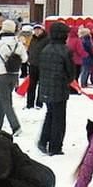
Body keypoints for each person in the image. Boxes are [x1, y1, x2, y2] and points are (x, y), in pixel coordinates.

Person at [37, 21, 75, 156]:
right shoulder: (65, 51)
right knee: (59, 119)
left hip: (46, 87)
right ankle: (55, 147)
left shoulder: (46, 49)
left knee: (50, 114)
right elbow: (71, 72)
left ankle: (43, 140)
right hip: (59, 88)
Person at [0, 19, 27, 136]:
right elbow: (25, 59)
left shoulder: (0, 43)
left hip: (1, 74)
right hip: (14, 75)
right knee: (2, 99)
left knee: (6, 101)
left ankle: (16, 126)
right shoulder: (18, 43)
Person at [25, 24, 48, 108]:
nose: (37, 31)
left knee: (41, 85)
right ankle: (29, 104)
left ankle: (39, 103)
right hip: (33, 65)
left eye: (39, 29)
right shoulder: (33, 39)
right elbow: (30, 49)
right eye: (35, 30)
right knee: (31, 85)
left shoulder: (46, 39)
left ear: (42, 30)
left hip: (43, 65)